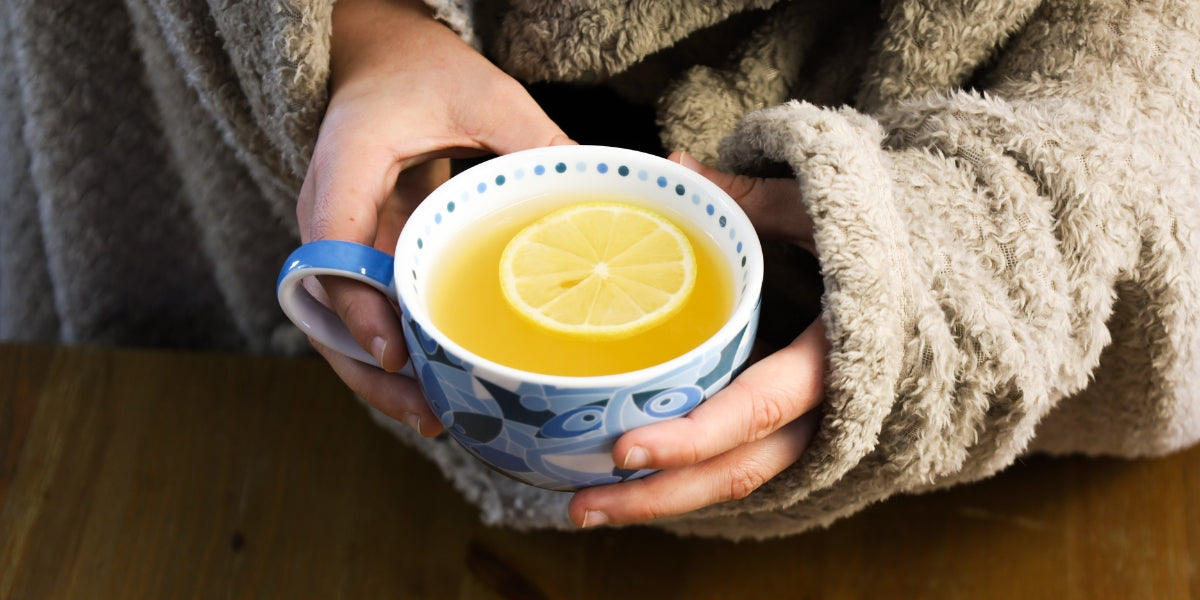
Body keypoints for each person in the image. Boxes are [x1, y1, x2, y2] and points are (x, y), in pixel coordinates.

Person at [3, 0, 1199, 540]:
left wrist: (941, 270)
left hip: (951, 519)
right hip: (247, 440)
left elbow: (1157, 84)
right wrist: (353, 30)